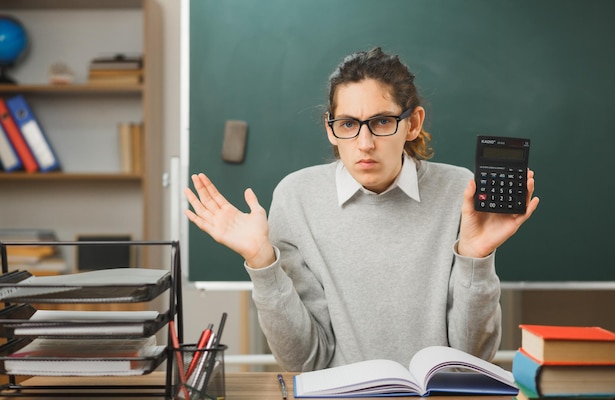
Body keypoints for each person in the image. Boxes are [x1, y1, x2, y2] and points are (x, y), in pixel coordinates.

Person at [184, 47, 539, 372]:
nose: (364, 143)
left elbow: (473, 358)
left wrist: (475, 257)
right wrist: (263, 261)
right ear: (331, 129)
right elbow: (304, 359)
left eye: (382, 122)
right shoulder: (296, 198)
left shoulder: (459, 192)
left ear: (412, 124)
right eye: (349, 124)